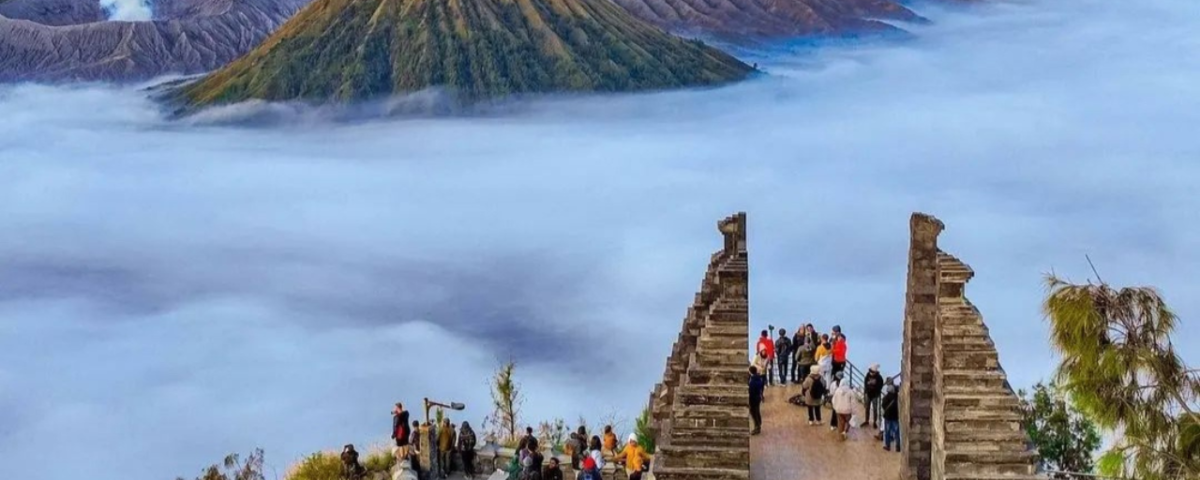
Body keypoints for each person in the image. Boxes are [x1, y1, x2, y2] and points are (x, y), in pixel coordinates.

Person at [832, 374, 855, 440]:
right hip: (847, 411)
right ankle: (845, 432)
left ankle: (840, 436)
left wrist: (835, 408)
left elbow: (833, 400)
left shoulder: (837, 391)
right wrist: (854, 412)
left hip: (839, 410)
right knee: (849, 422)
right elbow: (853, 403)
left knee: (840, 423)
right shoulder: (850, 392)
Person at [863, 364, 885, 428]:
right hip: (868, 394)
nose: (871, 373)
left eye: (872, 372)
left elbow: (880, 386)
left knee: (875, 409)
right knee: (867, 408)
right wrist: (867, 390)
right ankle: (866, 420)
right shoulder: (867, 375)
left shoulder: (879, 378)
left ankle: (874, 422)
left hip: (875, 395)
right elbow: (865, 384)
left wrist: (874, 388)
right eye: (870, 371)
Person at [883, 379, 901, 452]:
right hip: (895, 417)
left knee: (887, 432)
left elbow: (883, 406)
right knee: (896, 432)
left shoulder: (885, 398)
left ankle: (888, 446)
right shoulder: (896, 398)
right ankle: (898, 447)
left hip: (888, 417)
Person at [749, 365, 766, 435]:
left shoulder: (752, 381)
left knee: (754, 413)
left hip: (753, 399)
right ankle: (758, 423)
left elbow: (751, 391)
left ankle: (757, 426)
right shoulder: (759, 379)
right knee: (757, 411)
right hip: (758, 397)